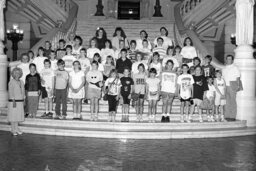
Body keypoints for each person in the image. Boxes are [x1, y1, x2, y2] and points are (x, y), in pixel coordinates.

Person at [222, 55, 241, 121]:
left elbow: (238, 77)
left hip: (232, 85)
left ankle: (232, 116)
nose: (228, 60)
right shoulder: (224, 68)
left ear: (232, 60)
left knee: (232, 101)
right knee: (226, 102)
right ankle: (227, 115)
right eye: (227, 59)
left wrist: (238, 86)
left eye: (230, 59)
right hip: (225, 86)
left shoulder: (235, 68)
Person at [8, 68, 25, 136]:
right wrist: (13, 100)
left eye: (18, 73)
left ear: (20, 74)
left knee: (18, 115)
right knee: (13, 115)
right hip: (14, 101)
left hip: (20, 101)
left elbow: (23, 91)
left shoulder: (21, 82)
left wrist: (24, 99)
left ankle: (17, 128)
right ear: (13, 74)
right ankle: (13, 129)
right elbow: (10, 92)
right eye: (16, 73)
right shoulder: (11, 82)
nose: (17, 74)